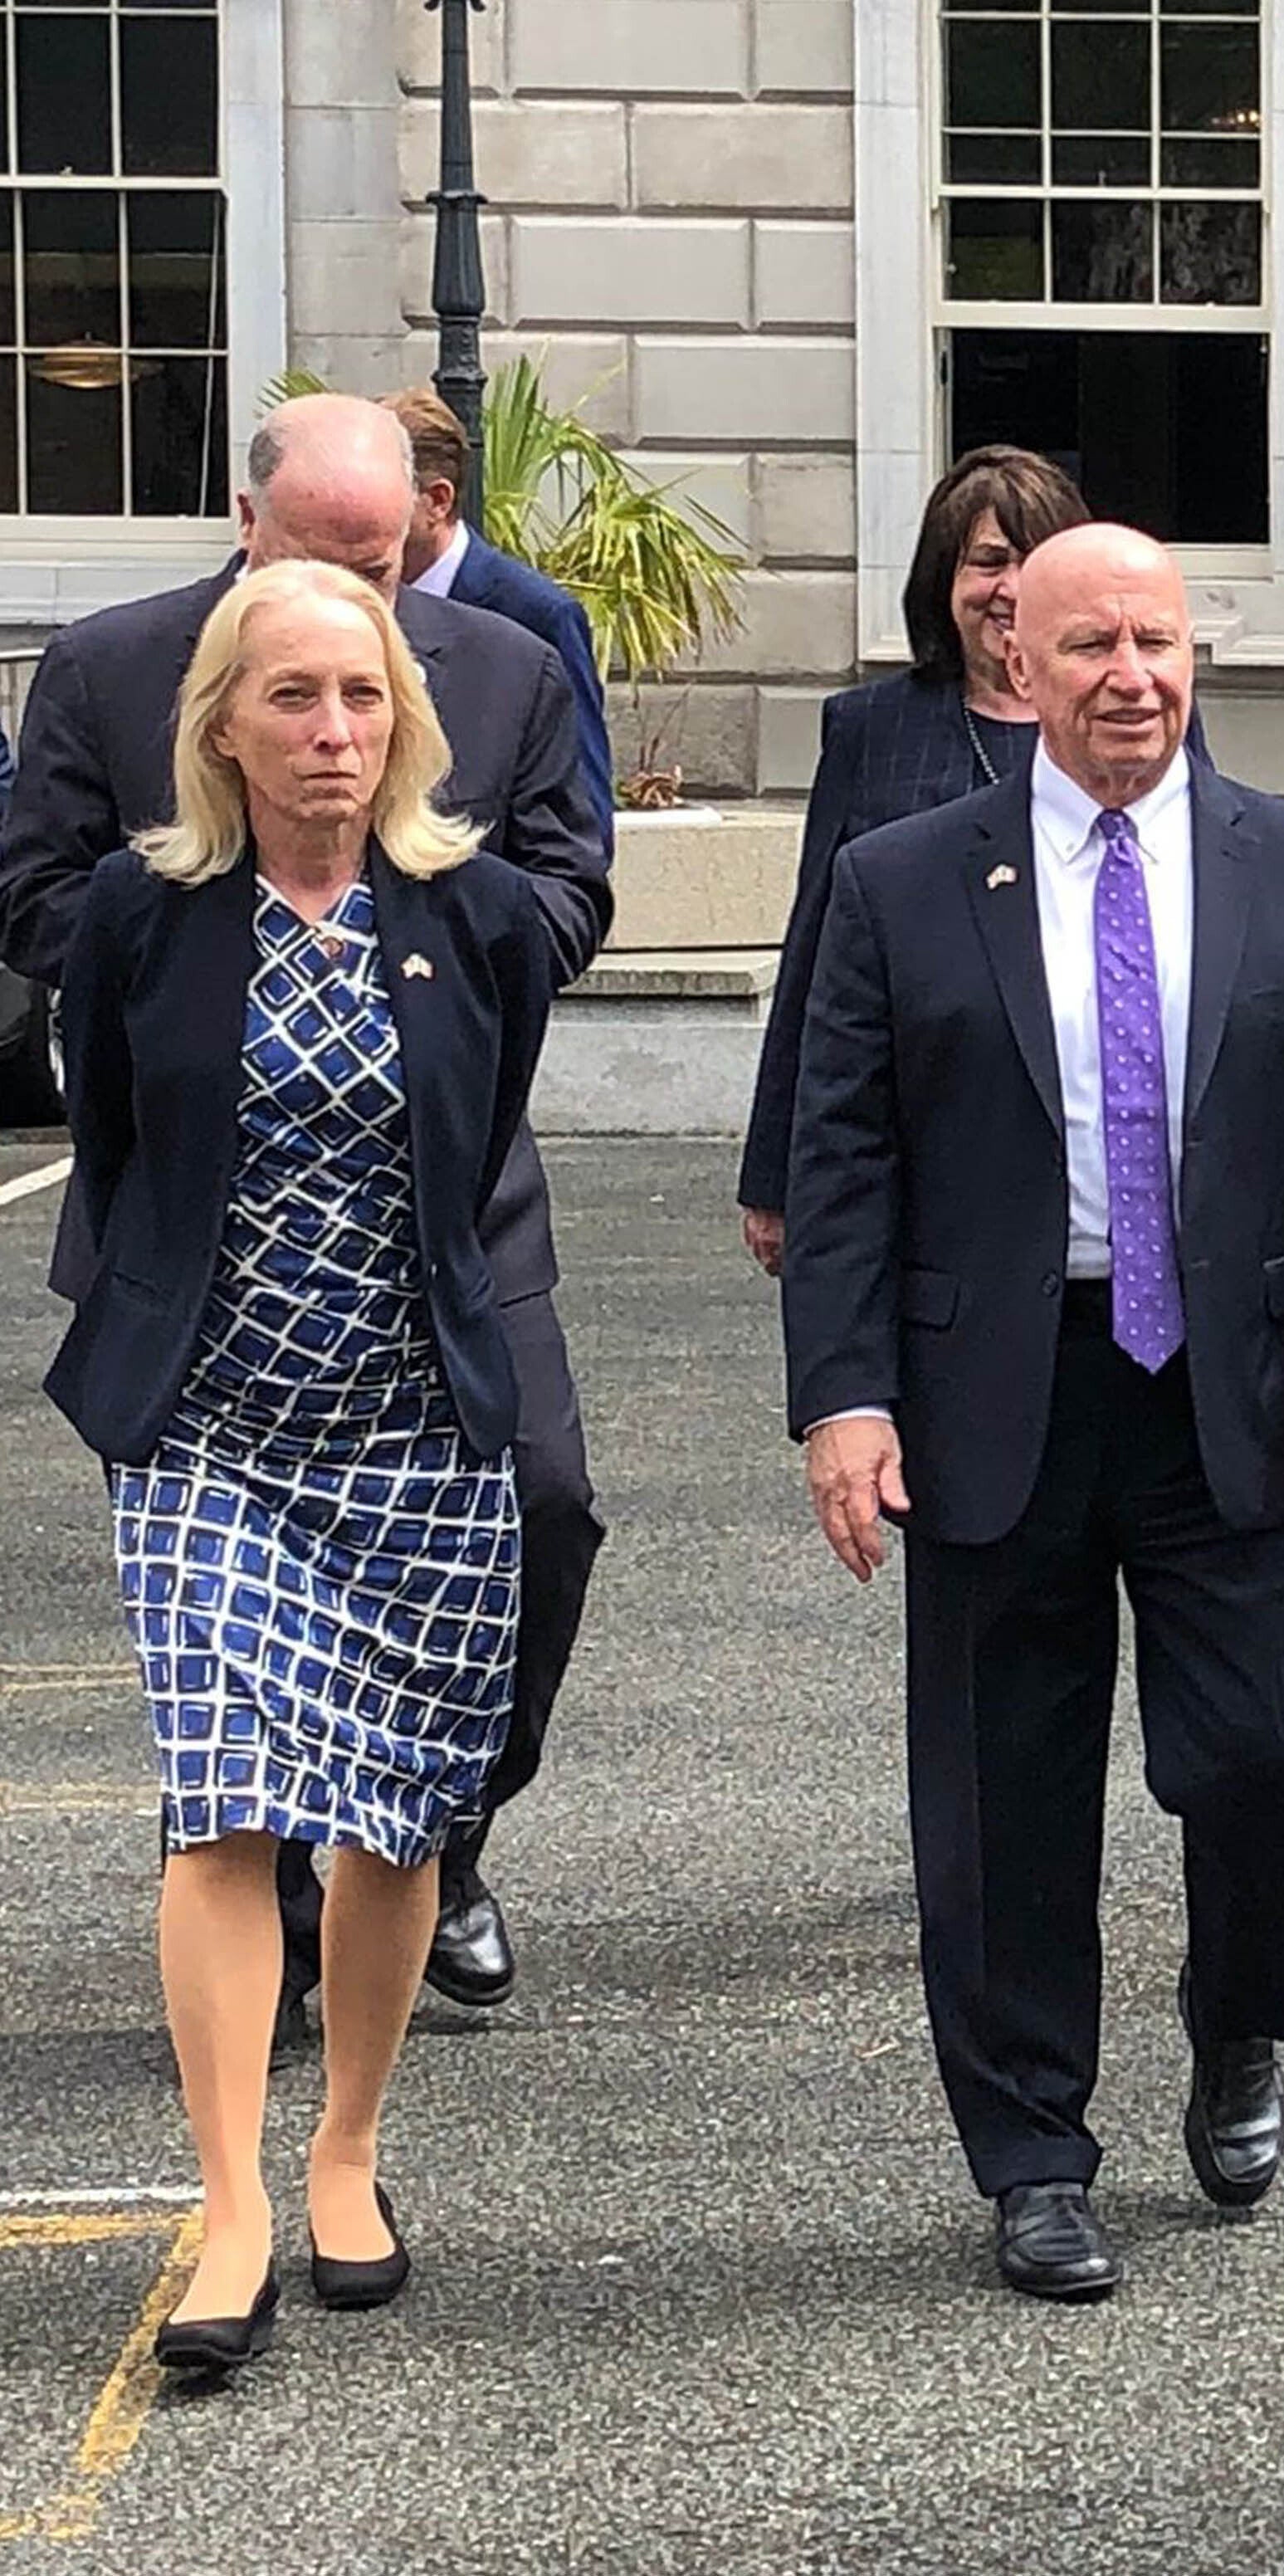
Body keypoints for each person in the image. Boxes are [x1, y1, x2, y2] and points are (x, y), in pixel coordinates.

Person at [781, 524, 1284, 2303]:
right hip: (999, 1383)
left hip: (1236, 1392)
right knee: (1004, 1793)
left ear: (1191, 652)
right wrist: (842, 1398)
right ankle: (1033, 2152)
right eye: (1089, 648)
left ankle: (1237, 2021)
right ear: (1020, 665)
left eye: (1155, 639)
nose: (1128, 676)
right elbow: (844, 1154)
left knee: (1261, 1753)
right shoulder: (909, 878)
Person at [0, 391, 610, 2029]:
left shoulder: (507, 669)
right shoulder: (115, 668)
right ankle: (259, 1914)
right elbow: (38, 891)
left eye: (393, 561)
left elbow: (566, 892)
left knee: (545, 1509)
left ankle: (435, 1832)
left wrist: (441, 974)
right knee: (225, 1607)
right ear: (250, 522)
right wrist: (208, 956)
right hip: (201, 1217)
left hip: (448, 1210)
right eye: (333, 557)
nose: (372, 600)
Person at [44, 562, 555, 2373]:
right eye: (292, 700)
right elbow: (116, 1137)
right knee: (223, 1790)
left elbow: (472, 1144)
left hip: (418, 1424)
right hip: (210, 1434)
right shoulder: (139, 913)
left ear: (400, 718)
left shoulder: (478, 914)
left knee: (398, 1804)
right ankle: (233, 2200)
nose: (330, 734)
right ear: (222, 725)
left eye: (360, 698)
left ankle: (346, 2150)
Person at [735, 446, 1092, 1274]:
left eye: (1036, 561)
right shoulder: (869, 729)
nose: (1011, 587)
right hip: (911, 1122)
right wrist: (774, 1170)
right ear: (944, 579)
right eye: (989, 561)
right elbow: (813, 950)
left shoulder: (1127, 722)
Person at [386, 386, 616, 828]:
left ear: (436, 500)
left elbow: (582, 817)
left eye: (380, 490)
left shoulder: (535, 615)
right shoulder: (337, 600)